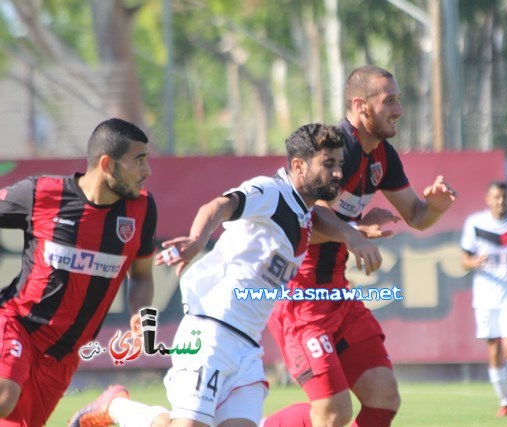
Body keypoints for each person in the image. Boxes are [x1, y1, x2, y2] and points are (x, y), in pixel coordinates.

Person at [68, 123, 385, 427]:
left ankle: (117, 405)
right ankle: (116, 407)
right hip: (211, 333)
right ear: (299, 166)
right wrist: (196, 240)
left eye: (340, 164)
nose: (338, 173)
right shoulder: (271, 191)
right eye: (328, 164)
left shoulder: (302, 211)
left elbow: (316, 218)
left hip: (247, 348)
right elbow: (218, 206)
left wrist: (352, 232)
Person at [262, 65, 457, 427]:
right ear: (361, 105)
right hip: (301, 298)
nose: (398, 110)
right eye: (390, 101)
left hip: (338, 295)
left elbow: (415, 215)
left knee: (384, 398)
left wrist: (436, 208)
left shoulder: (383, 154)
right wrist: (353, 233)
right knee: (333, 413)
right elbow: (304, 220)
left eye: (398, 100)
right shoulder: (336, 148)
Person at [0, 118, 156, 426]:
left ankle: (92, 415)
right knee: (4, 399)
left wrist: (141, 311)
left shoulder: (142, 209)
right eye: (138, 161)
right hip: (19, 324)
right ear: (107, 164)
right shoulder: (41, 194)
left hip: (64, 355)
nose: (146, 172)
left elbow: (142, 275)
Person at [460, 181, 507, 418]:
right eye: (496, 197)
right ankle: (505, 402)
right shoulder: (475, 223)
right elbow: (464, 260)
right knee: (493, 352)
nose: (500, 201)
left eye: (504, 197)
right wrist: (474, 262)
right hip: (485, 295)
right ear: (488, 199)